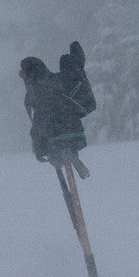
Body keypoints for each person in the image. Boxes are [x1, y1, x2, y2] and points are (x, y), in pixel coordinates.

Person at [20, 42, 97, 177]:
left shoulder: (34, 96)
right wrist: (78, 67)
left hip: (53, 144)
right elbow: (88, 103)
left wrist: (39, 148)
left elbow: (37, 124)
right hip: (73, 137)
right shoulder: (58, 83)